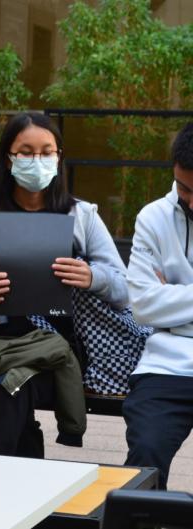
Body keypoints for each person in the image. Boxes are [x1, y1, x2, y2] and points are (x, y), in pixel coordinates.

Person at [0, 112, 129, 457]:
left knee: (8, 388)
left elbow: (125, 289)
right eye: (26, 152)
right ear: (7, 158)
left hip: (62, 349)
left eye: (46, 152)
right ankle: (20, 470)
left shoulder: (81, 215)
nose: (37, 160)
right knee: (8, 389)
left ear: (59, 157)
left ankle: (1, 473)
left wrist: (92, 277)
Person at [123, 122, 193, 489]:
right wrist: (157, 302)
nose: (192, 202)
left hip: (171, 341)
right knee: (145, 455)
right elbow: (144, 306)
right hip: (166, 365)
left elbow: (158, 303)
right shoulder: (152, 218)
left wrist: (174, 299)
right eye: (185, 188)